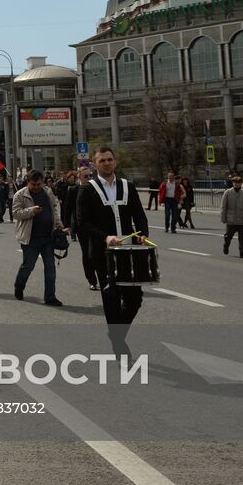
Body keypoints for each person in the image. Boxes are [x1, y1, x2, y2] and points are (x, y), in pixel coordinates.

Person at [76, 146, 150, 354]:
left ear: (115, 162)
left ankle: (116, 334)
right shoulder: (87, 189)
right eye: (102, 160)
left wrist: (143, 234)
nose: (106, 163)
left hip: (129, 252)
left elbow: (139, 216)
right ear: (94, 164)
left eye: (109, 160)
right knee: (111, 297)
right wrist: (105, 237)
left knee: (135, 299)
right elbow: (82, 223)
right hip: (103, 253)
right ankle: (119, 344)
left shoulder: (128, 186)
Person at [12, 171, 66, 306]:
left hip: (48, 237)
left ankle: (50, 297)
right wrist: (31, 211)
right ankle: (19, 286)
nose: (36, 187)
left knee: (50, 267)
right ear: (27, 182)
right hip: (30, 238)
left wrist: (59, 223)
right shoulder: (20, 195)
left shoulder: (47, 191)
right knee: (28, 266)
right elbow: (16, 214)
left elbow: (54, 209)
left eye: (38, 184)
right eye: (33, 184)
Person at [220, 178, 243, 258]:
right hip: (231, 219)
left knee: (242, 238)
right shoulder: (228, 192)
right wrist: (223, 217)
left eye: (239, 183)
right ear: (233, 183)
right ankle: (226, 245)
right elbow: (223, 206)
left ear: (241, 183)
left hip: (241, 219)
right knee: (228, 236)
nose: (237, 184)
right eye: (235, 183)